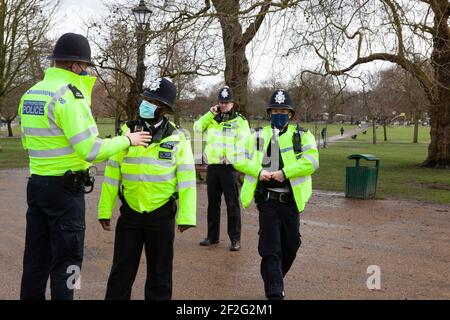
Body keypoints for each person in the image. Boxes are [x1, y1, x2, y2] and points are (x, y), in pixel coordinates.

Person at [18, 33, 151, 300]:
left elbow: (26, 142)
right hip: (66, 192)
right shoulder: (70, 96)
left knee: (35, 259)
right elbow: (91, 150)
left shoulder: (31, 93)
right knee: (69, 261)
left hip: (37, 185)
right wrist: (127, 140)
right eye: (86, 66)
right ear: (76, 65)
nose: (87, 71)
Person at [98, 78, 196, 300]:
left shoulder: (177, 138)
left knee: (160, 276)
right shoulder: (126, 133)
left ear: (164, 109)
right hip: (130, 213)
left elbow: (188, 179)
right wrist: (105, 210)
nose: (146, 104)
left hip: (161, 215)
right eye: (145, 99)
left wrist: (187, 217)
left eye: (152, 101)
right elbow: (112, 174)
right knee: (121, 272)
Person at [234, 89, 319, 300]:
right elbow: (237, 158)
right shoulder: (257, 136)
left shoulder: (303, 136)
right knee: (270, 250)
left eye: (284, 110)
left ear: (290, 114)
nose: (279, 114)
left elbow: (312, 162)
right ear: (269, 113)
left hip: (291, 202)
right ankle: (275, 294)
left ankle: (276, 280)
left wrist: (285, 173)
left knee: (291, 246)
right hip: (268, 201)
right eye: (275, 110)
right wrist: (258, 172)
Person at [193, 86, 250, 251]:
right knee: (213, 203)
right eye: (221, 102)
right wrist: (210, 113)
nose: (224, 105)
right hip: (213, 167)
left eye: (227, 102)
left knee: (232, 204)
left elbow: (245, 144)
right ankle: (212, 236)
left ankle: (235, 239)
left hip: (229, 168)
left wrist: (231, 157)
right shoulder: (212, 118)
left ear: (232, 103)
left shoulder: (240, 121)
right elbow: (197, 128)